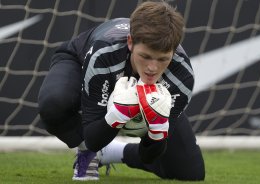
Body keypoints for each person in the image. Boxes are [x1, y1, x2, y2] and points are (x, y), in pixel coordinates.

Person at [38, 0, 205, 181]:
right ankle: (86, 154)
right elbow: (94, 139)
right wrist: (116, 116)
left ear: (172, 52)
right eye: (145, 56)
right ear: (130, 42)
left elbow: (149, 155)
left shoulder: (182, 78)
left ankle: (112, 153)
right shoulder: (104, 53)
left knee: (189, 172)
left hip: (123, 80)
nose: (152, 68)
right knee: (53, 104)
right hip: (82, 64)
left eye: (162, 59)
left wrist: (158, 131)